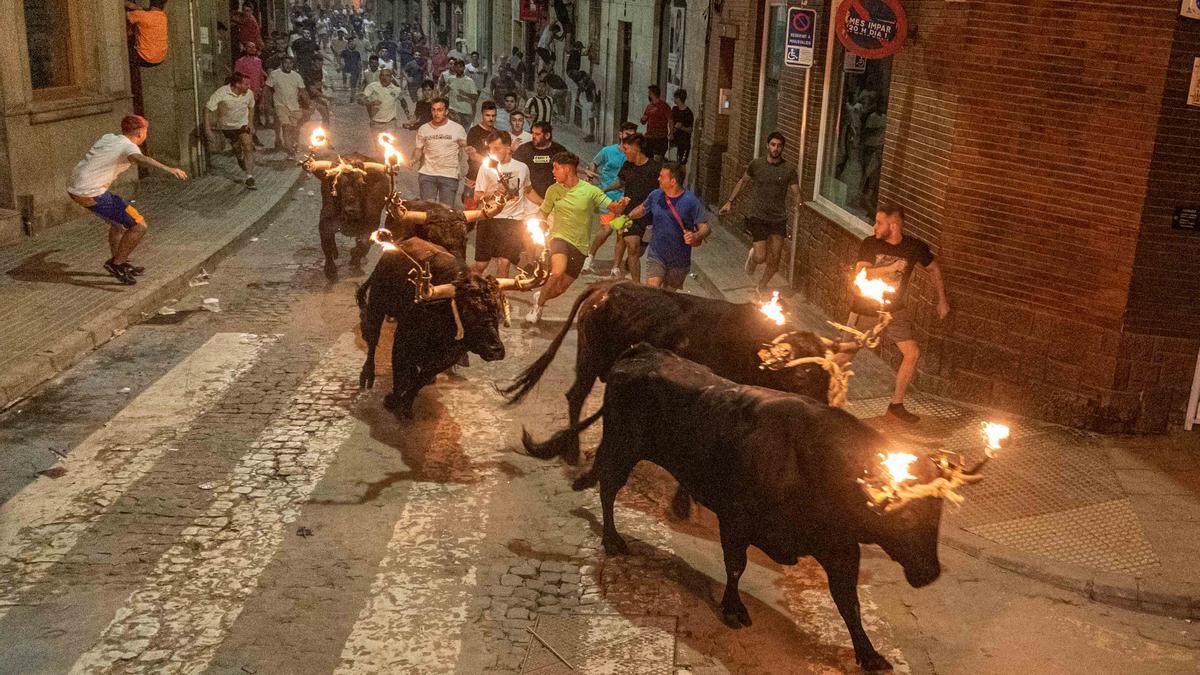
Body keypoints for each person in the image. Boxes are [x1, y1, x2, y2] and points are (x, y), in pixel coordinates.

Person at [839, 205, 949, 424]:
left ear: (894, 225)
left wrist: (942, 300)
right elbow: (861, 274)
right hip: (865, 310)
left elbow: (934, 269)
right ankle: (827, 401)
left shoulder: (914, 247)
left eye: (879, 222)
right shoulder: (870, 244)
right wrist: (889, 269)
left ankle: (896, 405)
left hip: (895, 311)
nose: (874, 226)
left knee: (912, 353)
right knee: (843, 356)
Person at [67, 115, 187, 285]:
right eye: (146, 132)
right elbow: (140, 159)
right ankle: (117, 264)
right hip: (91, 192)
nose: (146, 135)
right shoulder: (128, 147)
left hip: (76, 188)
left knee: (118, 224)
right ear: (139, 133)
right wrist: (167, 168)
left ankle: (119, 260)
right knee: (139, 226)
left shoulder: (109, 137)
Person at [525, 152, 625, 324]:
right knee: (557, 271)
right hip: (559, 238)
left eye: (556, 168)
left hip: (580, 245)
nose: (553, 172)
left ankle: (540, 296)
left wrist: (620, 205)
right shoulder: (553, 190)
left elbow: (612, 207)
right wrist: (540, 222)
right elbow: (543, 212)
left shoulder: (590, 191)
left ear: (567, 169)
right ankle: (538, 307)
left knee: (561, 288)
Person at [719, 131, 799, 295]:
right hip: (758, 216)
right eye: (773, 145)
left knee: (775, 257)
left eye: (779, 146)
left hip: (778, 218)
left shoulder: (788, 169)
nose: (776, 148)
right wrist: (729, 202)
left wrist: (798, 203)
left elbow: (796, 191)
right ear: (767, 146)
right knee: (761, 257)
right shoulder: (757, 164)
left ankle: (762, 285)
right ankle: (754, 257)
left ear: (782, 148)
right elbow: (743, 182)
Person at [624, 163, 709, 290]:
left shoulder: (691, 201)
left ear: (673, 181)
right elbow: (642, 208)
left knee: (668, 296)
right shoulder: (655, 195)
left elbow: (705, 227)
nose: (658, 179)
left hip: (679, 261)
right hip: (656, 255)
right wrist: (627, 217)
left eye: (662, 177)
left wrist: (696, 235)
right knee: (652, 292)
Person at [602, 132, 660, 284]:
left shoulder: (654, 168)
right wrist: (604, 190)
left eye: (626, 148)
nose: (624, 151)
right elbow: (620, 183)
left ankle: (629, 267)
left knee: (639, 251)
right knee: (632, 246)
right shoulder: (627, 165)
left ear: (636, 148)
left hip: (649, 217)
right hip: (630, 215)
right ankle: (637, 285)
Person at [473, 131, 533, 277]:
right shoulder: (486, 168)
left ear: (508, 148)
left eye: (496, 149)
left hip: (513, 222)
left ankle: (499, 297)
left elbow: (529, 191)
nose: (492, 153)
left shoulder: (522, 167)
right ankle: (464, 289)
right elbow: (477, 197)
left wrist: (546, 205)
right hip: (489, 219)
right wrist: (493, 192)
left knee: (504, 262)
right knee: (480, 265)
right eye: (490, 149)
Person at [582, 122, 636, 276]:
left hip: (625, 198)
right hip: (607, 196)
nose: (629, 137)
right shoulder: (608, 151)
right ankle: (590, 257)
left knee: (621, 233)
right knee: (606, 230)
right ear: (620, 134)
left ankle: (615, 267)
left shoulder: (632, 155)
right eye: (626, 134)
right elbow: (594, 163)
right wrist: (591, 174)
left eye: (632, 135)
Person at [204, 73, 258, 188]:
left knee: (248, 146)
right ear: (237, 84)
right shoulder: (222, 92)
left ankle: (249, 177)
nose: (249, 86)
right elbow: (208, 108)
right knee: (237, 147)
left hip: (242, 124)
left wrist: (250, 123)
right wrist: (208, 129)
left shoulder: (249, 94)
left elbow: (252, 106)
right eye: (246, 84)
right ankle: (239, 158)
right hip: (227, 127)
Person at [412, 97, 467, 206]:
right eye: (433, 110)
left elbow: (465, 147)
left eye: (440, 110)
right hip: (427, 174)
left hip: (449, 175)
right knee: (428, 210)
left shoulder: (457, 129)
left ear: (446, 111)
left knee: (445, 213)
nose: (436, 113)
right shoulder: (423, 129)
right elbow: (418, 149)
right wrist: (414, 159)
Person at [264, 56, 308, 157]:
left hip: (294, 106)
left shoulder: (297, 76)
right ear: (282, 63)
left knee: (294, 129)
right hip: (280, 105)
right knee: (286, 126)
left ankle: (290, 145)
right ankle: (290, 151)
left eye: (290, 63)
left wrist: (308, 104)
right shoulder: (275, 74)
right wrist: (266, 104)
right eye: (286, 63)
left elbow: (303, 91)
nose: (288, 65)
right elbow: (267, 89)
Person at [513, 121, 566, 201]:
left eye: (537, 134)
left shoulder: (559, 150)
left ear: (547, 135)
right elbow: (513, 170)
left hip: (553, 197)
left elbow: (569, 167)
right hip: (529, 197)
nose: (533, 136)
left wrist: (584, 171)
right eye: (533, 133)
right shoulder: (524, 149)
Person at [464, 101, 500, 207]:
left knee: (491, 213)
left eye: (493, 115)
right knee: (470, 214)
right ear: (482, 115)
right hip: (474, 178)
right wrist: (492, 163)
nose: (491, 119)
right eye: (487, 115)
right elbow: (473, 156)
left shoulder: (497, 134)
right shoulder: (474, 132)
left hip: (492, 180)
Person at [125, 0, 169, 67]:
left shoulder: (143, 16)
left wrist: (128, 4)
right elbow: (147, 13)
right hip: (160, 58)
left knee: (124, 51)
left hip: (145, 58)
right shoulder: (163, 17)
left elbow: (125, 15)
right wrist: (138, 8)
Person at [362, 68, 406, 134]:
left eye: (387, 75)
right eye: (382, 75)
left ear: (391, 78)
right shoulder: (372, 86)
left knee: (390, 143)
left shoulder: (396, 89)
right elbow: (360, 100)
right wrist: (371, 103)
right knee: (377, 144)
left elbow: (403, 100)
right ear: (379, 77)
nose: (384, 77)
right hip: (375, 123)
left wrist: (407, 112)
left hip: (390, 123)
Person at [443, 58, 480, 126]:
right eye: (456, 67)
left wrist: (464, 94)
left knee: (464, 134)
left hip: (465, 113)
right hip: (453, 112)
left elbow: (475, 96)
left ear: (464, 68)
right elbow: (445, 91)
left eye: (460, 67)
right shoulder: (451, 79)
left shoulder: (469, 81)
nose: (458, 69)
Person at [641, 84, 672, 159]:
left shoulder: (664, 106)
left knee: (657, 159)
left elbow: (670, 120)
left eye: (649, 92)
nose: (648, 94)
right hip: (649, 137)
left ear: (653, 94)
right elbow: (643, 121)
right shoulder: (649, 106)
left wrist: (671, 132)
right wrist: (643, 119)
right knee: (647, 159)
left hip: (660, 137)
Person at [669, 88, 694, 164]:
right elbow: (671, 122)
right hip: (674, 141)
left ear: (678, 98)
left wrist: (682, 127)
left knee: (681, 164)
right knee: (673, 162)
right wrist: (671, 133)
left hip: (684, 143)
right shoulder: (674, 109)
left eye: (675, 98)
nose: (674, 99)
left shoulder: (688, 113)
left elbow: (690, 129)